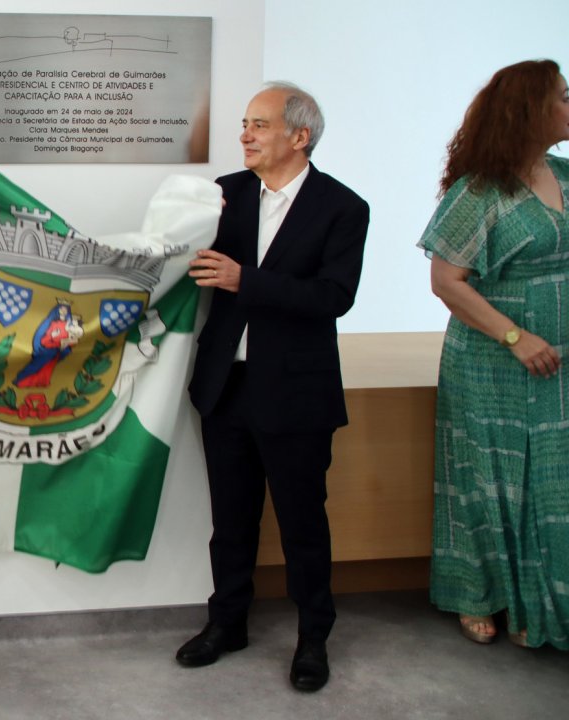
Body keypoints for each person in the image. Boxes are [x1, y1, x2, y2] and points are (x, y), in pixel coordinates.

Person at [179, 81, 369, 692]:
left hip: (296, 395)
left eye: (258, 125)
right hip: (225, 387)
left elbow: (333, 298)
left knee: (301, 523)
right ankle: (226, 624)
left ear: (299, 135)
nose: (244, 135)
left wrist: (245, 280)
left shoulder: (343, 207)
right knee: (230, 520)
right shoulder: (225, 196)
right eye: (244, 123)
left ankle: (313, 637)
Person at [419, 59, 569, 650]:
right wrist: (515, 336)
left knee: (554, 485)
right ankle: (478, 596)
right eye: (562, 97)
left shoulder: (566, 173)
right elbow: (446, 281)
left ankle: (542, 600)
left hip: (560, 365)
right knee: (490, 480)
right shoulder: (479, 191)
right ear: (530, 111)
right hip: (494, 363)